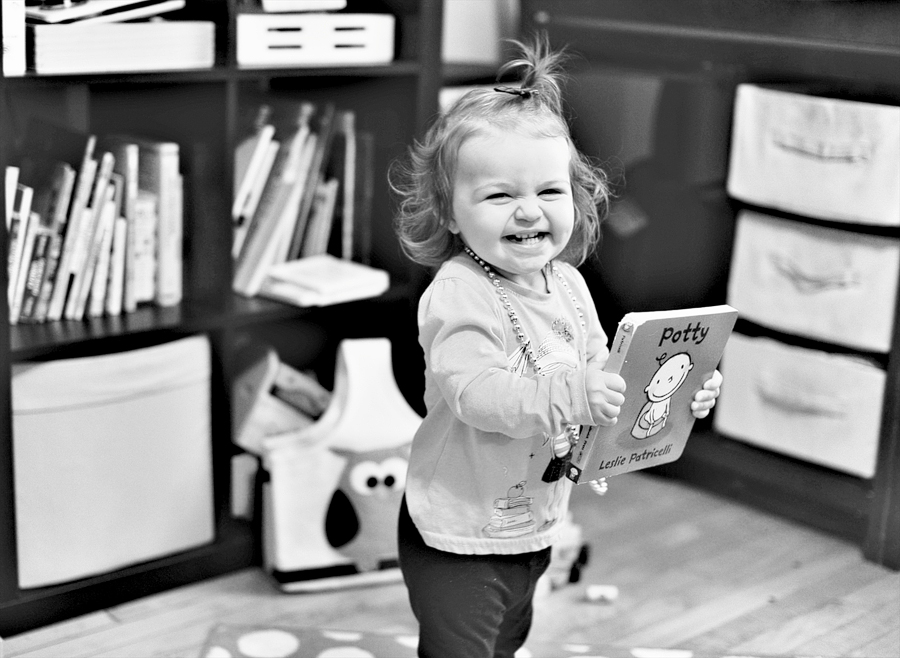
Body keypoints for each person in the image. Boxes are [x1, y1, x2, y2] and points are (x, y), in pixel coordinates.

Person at [390, 35, 723, 658]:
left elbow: (607, 376)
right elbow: (474, 395)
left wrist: (676, 393)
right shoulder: (458, 292)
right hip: (458, 531)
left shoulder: (567, 284)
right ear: (452, 212)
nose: (528, 211)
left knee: (508, 637)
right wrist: (575, 392)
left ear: (577, 196)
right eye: (498, 195)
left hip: (535, 518)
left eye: (548, 192)